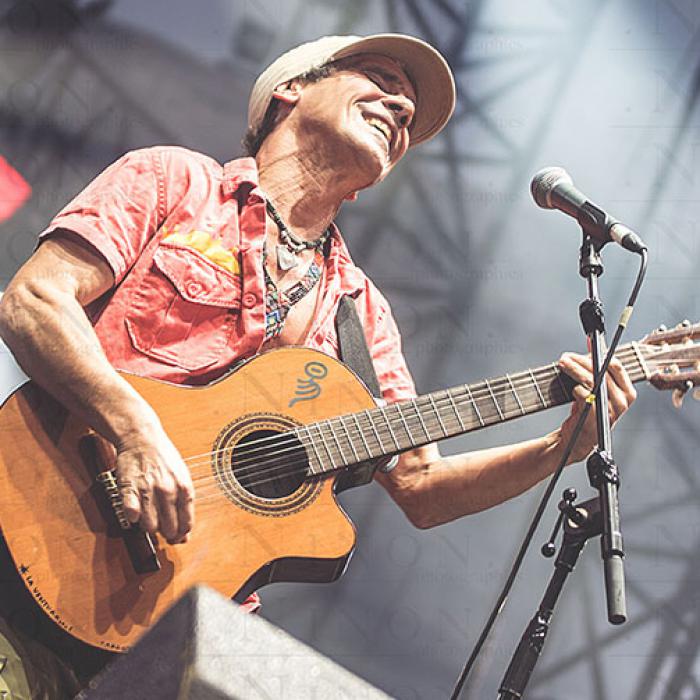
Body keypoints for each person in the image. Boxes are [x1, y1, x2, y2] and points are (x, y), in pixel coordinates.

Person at [0, 33, 636, 697]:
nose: (400, 108)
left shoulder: (360, 313)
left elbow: (422, 487)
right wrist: (134, 428)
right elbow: (35, 301)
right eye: (381, 78)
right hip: (35, 527)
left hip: (175, 617)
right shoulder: (174, 180)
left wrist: (565, 445)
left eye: (408, 118)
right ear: (290, 89)